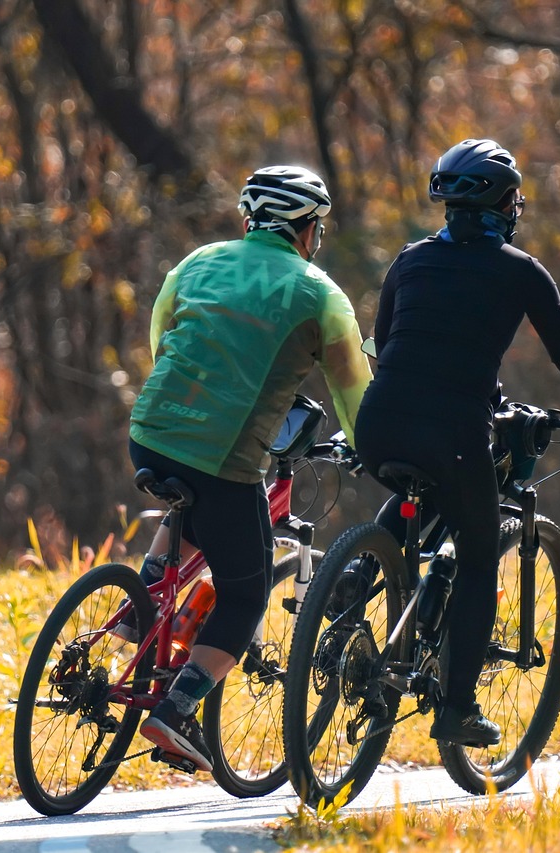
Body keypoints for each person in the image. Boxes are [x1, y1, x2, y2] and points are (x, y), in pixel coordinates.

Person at [354, 139, 560, 746]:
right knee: (479, 555)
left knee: (417, 495)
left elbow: (387, 342)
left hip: (378, 423)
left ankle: (351, 591)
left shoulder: (408, 260)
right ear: (506, 203)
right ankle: (457, 709)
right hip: (453, 433)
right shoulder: (519, 270)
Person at [127, 165, 371, 771]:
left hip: (149, 432)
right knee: (248, 592)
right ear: (307, 229)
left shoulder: (198, 262)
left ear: (248, 219)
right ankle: (176, 711)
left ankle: (138, 608)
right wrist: (371, 444)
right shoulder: (319, 293)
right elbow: (353, 388)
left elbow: (164, 338)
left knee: (196, 509)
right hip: (224, 455)